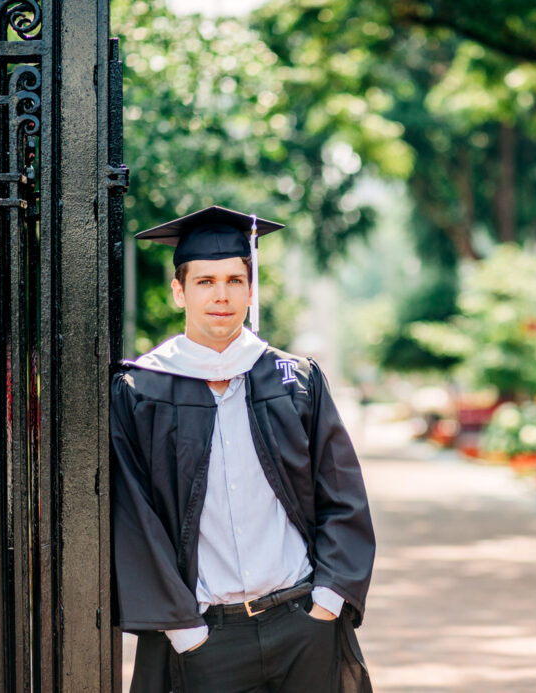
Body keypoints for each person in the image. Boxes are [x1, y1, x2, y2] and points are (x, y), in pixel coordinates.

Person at [110, 206, 375, 693]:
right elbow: (134, 517)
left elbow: (343, 492)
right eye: (205, 281)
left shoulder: (294, 380)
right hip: (207, 640)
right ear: (179, 291)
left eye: (235, 280)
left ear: (251, 291)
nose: (222, 295)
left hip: (303, 625)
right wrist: (185, 632)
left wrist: (328, 603)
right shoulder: (142, 389)